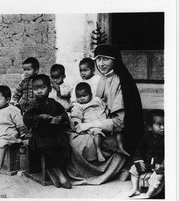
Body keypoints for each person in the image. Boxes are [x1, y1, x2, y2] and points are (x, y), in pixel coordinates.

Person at [66, 44, 144, 185]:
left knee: (81, 143)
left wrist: (89, 125)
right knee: (71, 135)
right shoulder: (103, 79)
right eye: (98, 59)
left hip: (120, 133)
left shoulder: (121, 82)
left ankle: (92, 173)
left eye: (105, 59)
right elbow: (96, 107)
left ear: (114, 60)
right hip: (102, 126)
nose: (101, 64)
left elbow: (119, 123)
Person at [23, 74, 71, 189]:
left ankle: (55, 167)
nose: (39, 91)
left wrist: (60, 118)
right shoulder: (33, 105)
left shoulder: (54, 103)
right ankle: (58, 172)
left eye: (42, 88)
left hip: (54, 133)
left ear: (49, 89)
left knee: (64, 141)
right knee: (47, 145)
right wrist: (40, 117)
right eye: (36, 89)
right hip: (40, 135)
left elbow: (64, 114)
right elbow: (27, 119)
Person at [71, 82, 130, 162]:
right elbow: (76, 116)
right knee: (97, 133)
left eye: (85, 96)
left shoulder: (97, 100)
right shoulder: (78, 106)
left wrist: (107, 113)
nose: (82, 99)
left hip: (103, 121)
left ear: (91, 94)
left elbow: (104, 107)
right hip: (92, 124)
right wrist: (78, 124)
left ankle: (120, 147)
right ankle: (98, 151)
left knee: (117, 130)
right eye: (79, 97)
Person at [128, 109, 164, 198]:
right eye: (159, 125)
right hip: (147, 165)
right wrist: (139, 161)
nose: (163, 127)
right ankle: (135, 188)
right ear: (149, 127)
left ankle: (149, 193)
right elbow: (139, 151)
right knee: (133, 169)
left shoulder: (167, 139)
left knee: (159, 175)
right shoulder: (145, 138)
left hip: (158, 166)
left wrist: (163, 165)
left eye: (165, 124)